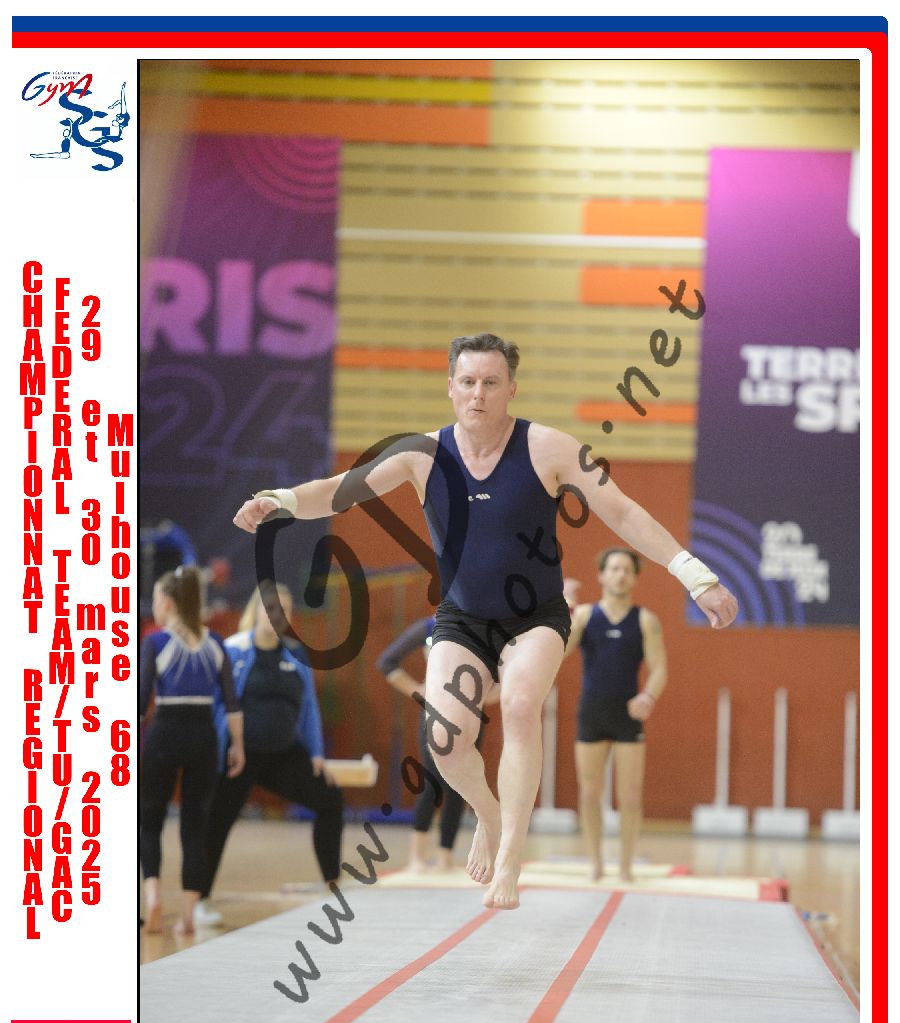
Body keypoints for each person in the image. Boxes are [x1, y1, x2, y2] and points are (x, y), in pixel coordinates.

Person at [233, 332, 738, 910]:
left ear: (511, 390)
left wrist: (695, 574)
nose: (478, 394)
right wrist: (281, 501)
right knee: (444, 742)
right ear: (451, 388)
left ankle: (509, 860)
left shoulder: (548, 448)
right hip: (462, 617)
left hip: (536, 616)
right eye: (468, 382)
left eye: (491, 383)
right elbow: (337, 492)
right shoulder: (420, 454)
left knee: (520, 705)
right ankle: (488, 814)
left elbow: (621, 511)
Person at [197, 582, 345, 925]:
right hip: (239, 755)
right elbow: (217, 703)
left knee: (330, 799)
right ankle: (200, 898)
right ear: (257, 610)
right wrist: (216, 751)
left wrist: (316, 753)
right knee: (216, 821)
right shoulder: (234, 649)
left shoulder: (296, 653)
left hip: (283, 754)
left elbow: (309, 706)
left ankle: (332, 884)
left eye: (285, 609)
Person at [139, 566, 245, 935]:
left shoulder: (155, 642)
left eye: (155, 599)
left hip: (165, 734)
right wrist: (238, 745)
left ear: (168, 603)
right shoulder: (215, 643)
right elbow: (232, 702)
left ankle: (153, 896)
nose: (154, 606)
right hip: (204, 737)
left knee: (149, 820)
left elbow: (141, 702)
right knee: (194, 825)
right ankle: (188, 915)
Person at [563, 550, 667, 882]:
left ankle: (625, 865)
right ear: (602, 575)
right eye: (614, 569)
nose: (620, 575)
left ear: (634, 578)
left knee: (631, 796)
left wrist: (648, 696)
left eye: (626, 570)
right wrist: (563, 610)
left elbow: (660, 669)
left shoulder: (646, 620)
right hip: (592, 713)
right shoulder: (583, 616)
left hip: (627, 715)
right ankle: (595, 863)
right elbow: (558, 651)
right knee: (589, 793)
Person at [376, 616, 499, 872]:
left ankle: (445, 855)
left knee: (461, 784)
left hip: (470, 712)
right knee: (431, 781)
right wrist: (416, 689)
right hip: (436, 710)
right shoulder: (431, 626)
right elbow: (387, 661)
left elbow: (504, 672)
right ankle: (417, 855)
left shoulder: (485, 625)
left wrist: (490, 694)